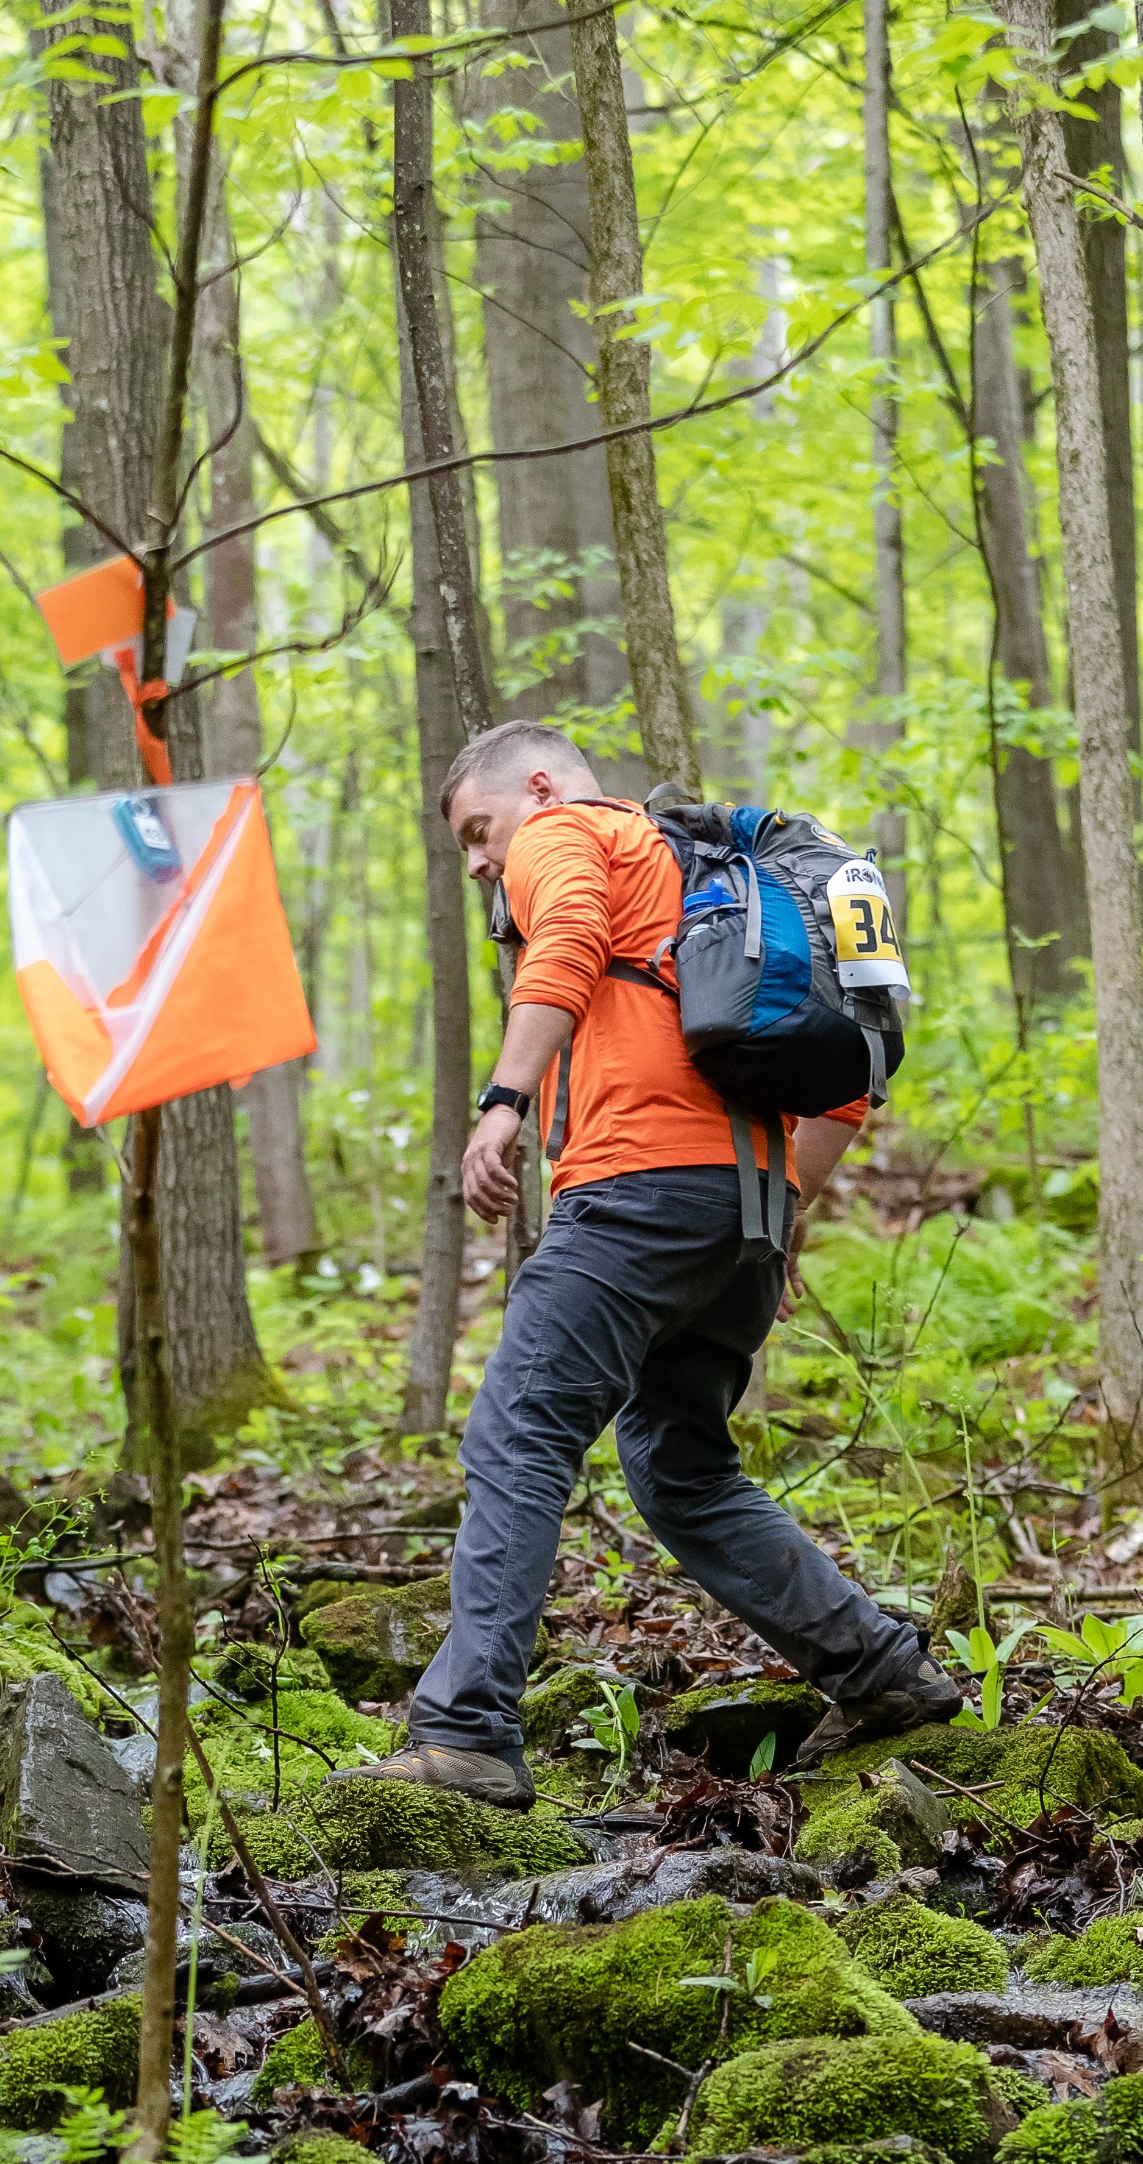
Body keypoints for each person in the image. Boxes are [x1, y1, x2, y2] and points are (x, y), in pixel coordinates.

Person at [337, 721, 959, 1813]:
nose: (480, 863)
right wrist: (775, 1212)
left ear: (537, 786)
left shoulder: (568, 832)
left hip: (634, 1195)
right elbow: (849, 1080)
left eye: (478, 831)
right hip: (743, 1218)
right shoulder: (716, 879)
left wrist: (503, 1102)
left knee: (520, 1434)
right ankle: (881, 1672)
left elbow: (568, 939)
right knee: (682, 1470)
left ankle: (467, 1732)